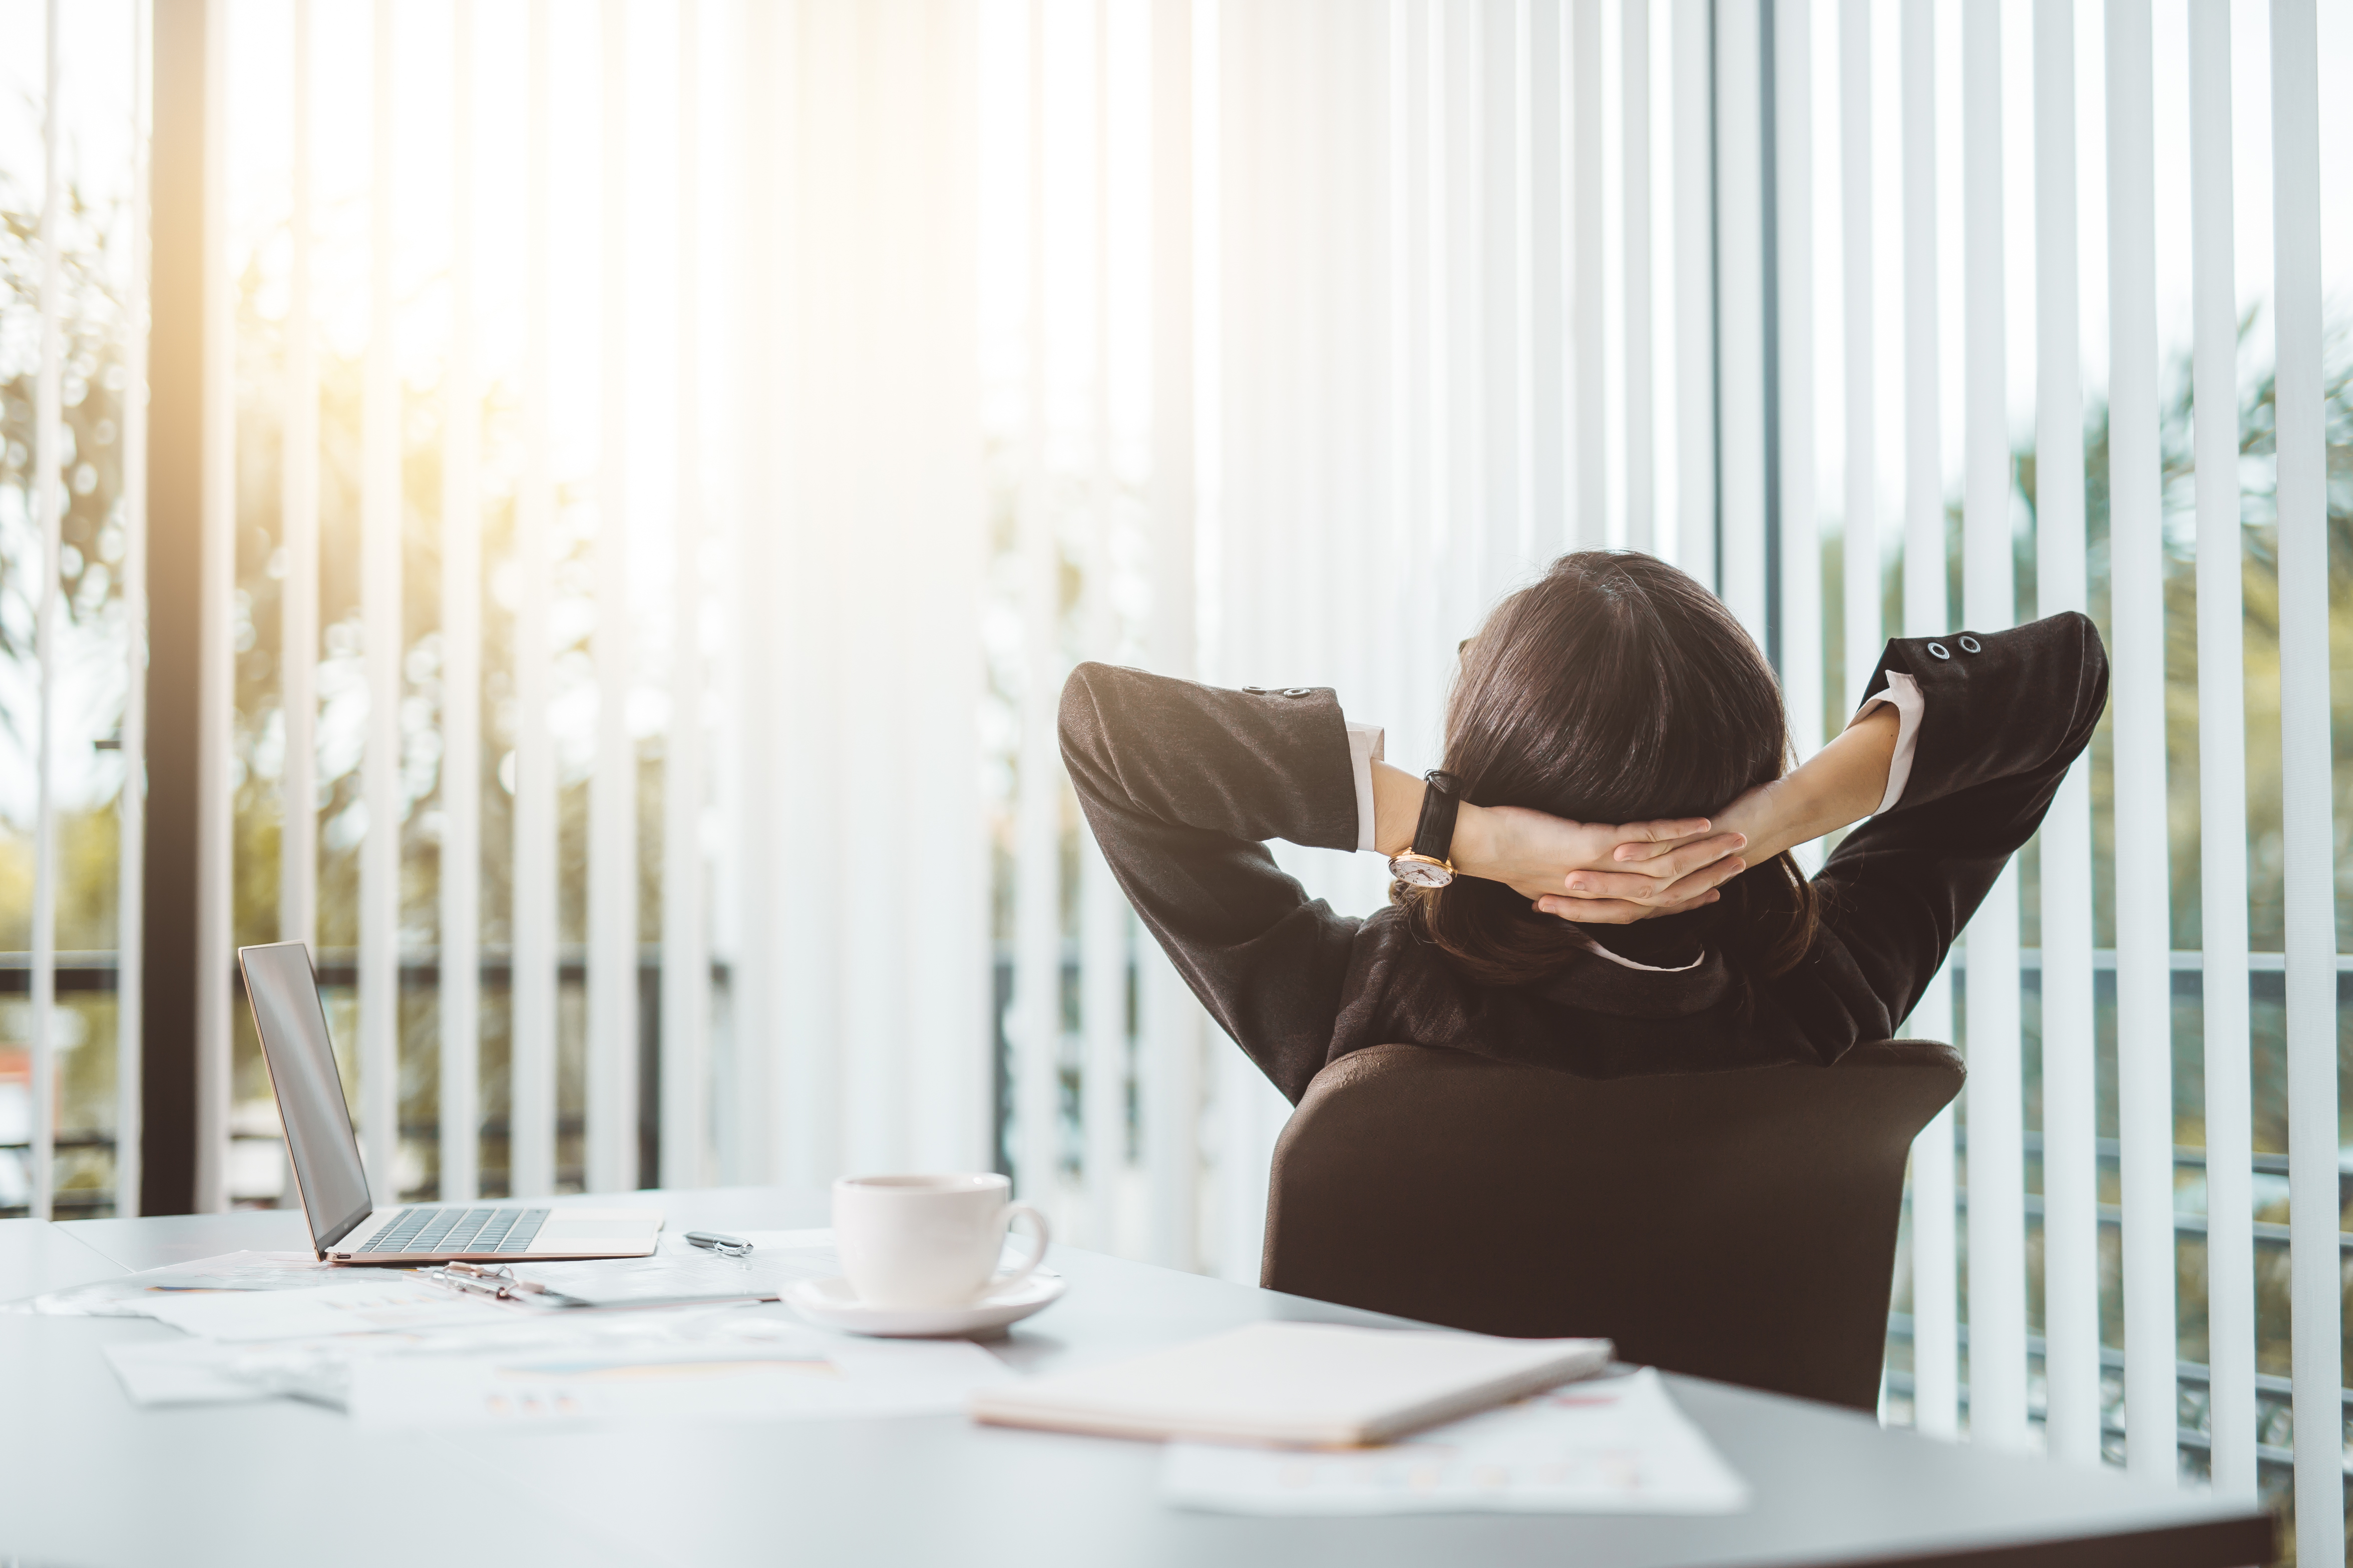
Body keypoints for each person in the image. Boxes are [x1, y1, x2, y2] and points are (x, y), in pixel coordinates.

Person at [1059, 549, 2107, 1104]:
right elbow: (2063, 677)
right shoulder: (1825, 997)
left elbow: (1105, 730)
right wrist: (1770, 820)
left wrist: (1454, 831)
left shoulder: (1365, 1013)